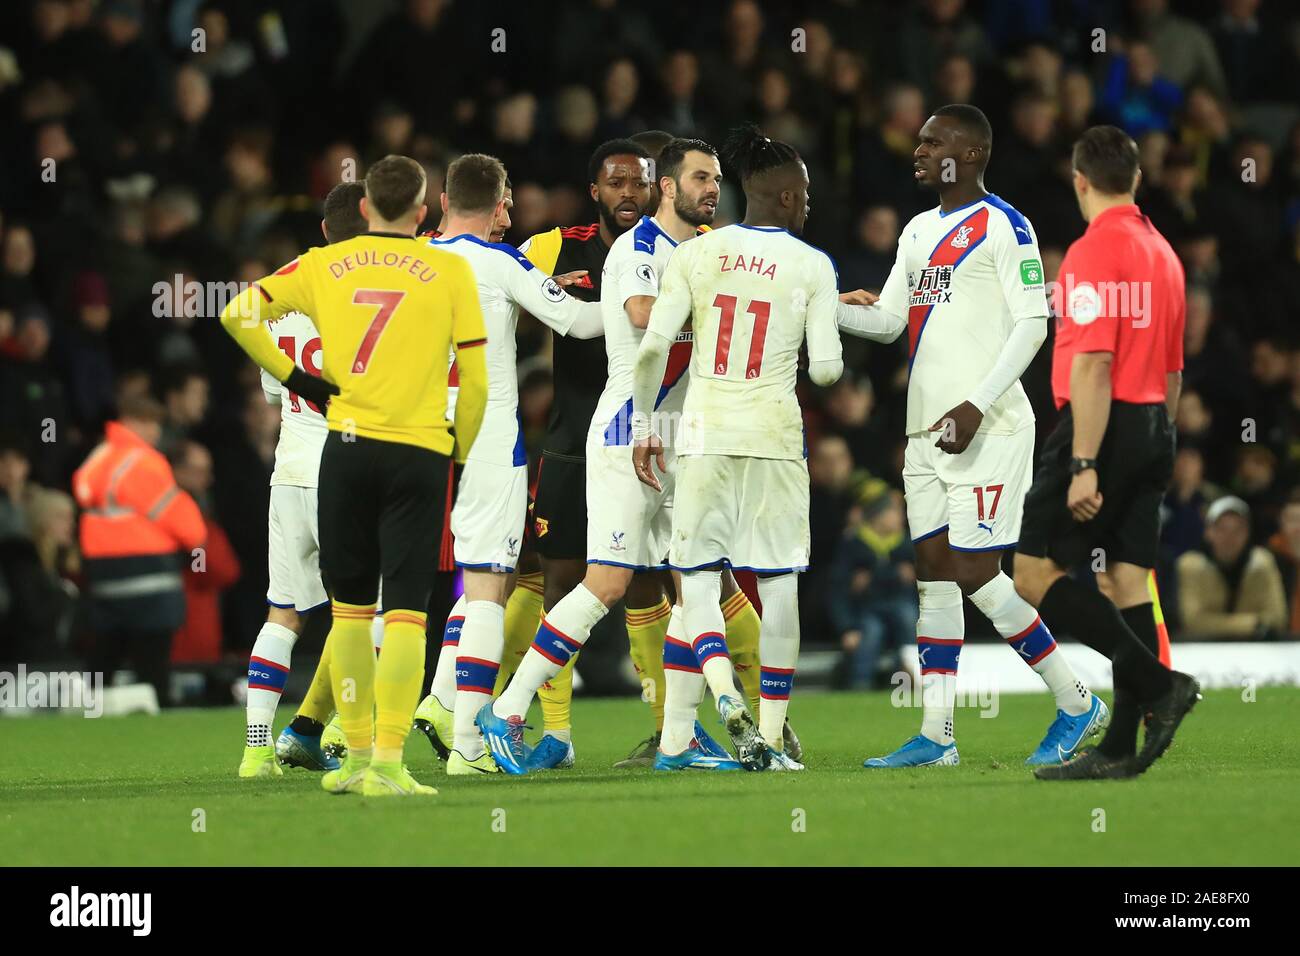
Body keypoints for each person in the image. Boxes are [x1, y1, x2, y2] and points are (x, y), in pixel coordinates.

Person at [837, 104, 1105, 769]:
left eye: (934, 142)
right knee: (933, 571)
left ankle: (1076, 700)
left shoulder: (1006, 227)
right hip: (925, 431)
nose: (919, 150)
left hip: (988, 426)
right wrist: (831, 307)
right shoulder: (918, 230)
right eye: (920, 140)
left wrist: (978, 404)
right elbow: (893, 321)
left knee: (974, 570)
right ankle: (938, 736)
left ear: (973, 154)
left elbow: (1032, 324)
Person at [219, 154, 488, 797]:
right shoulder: (447, 267)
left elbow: (235, 314)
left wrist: (299, 381)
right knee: (403, 616)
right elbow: (476, 380)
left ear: (364, 209)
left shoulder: (321, 266)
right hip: (417, 450)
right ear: (424, 214)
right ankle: (388, 765)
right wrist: (460, 452)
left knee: (345, 611)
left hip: (339, 449)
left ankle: (352, 760)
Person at [629, 124, 845, 770]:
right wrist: (823, 324)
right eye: (802, 193)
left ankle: (724, 701)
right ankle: (773, 737)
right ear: (784, 198)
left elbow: (651, 349)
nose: (807, 203)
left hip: (702, 432)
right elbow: (829, 370)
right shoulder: (812, 266)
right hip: (774, 438)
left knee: (695, 582)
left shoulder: (697, 255)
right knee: (778, 586)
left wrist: (645, 426)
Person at [1012, 125, 1199, 780]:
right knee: (1125, 580)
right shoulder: (1165, 254)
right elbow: (1174, 370)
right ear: (1138, 179)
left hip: (1103, 424)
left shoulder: (1093, 253)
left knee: (1032, 570)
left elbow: (1092, 364)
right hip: (1154, 423)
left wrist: (1086, 462)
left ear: (1079, 181)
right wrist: (1159, 441)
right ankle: (1120, 747)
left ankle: (1159, 684)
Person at [409, 153, 605, 776]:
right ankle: (468, 744)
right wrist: (651, 302)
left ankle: (410, 714)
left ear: (442, 203)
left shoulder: (411, 260)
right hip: (487, 438)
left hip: (410, 434)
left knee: (399, 588)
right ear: (499, 207)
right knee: (489, 582)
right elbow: (575, 323)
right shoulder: (503, 260)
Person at [492, 138, 658, 757]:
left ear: (654, 187)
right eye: (615, 183)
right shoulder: (556, 243)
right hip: (572, 437)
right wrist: (542, 296)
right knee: (560, 578)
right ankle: (556, 732)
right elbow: (495, 279)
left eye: (638, 182)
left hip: (652, 434)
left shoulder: (673, 248)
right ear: (596, 191)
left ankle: (673, 724)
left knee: (653, 582)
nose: (627, 194)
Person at [236, 181, 368, 780]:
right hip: (346, 468)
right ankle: (350, 738)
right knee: (371, 611)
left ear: (323, 230)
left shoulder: (285, 285)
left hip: (289, 469)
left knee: (283, 613)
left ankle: (256, 750)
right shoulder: (375, 288)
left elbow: (274, 384)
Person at [73, 394, 206, 706]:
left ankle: (89, 719)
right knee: (153, 661)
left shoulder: (98, 457)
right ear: (130, 422)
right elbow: (183, 521)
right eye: (150, 424)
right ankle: (156, 709)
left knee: (106, 654)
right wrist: (198, 540)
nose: (155, 432)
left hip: (104, 575)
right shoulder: (144, 462)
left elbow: (82, 490)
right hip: (150, 577)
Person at [1177, 495, 1287, 640]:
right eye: (1222, 529)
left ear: (1247, 533)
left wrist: (1217, 623)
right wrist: (1254, 624)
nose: (1229, 537)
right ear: (1208, 532)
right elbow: (1193, 621)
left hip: (1256, 650)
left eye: (1237, 530)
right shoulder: (1190, 565)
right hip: (1203, 650)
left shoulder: (1262, 562)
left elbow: (1278, 618)